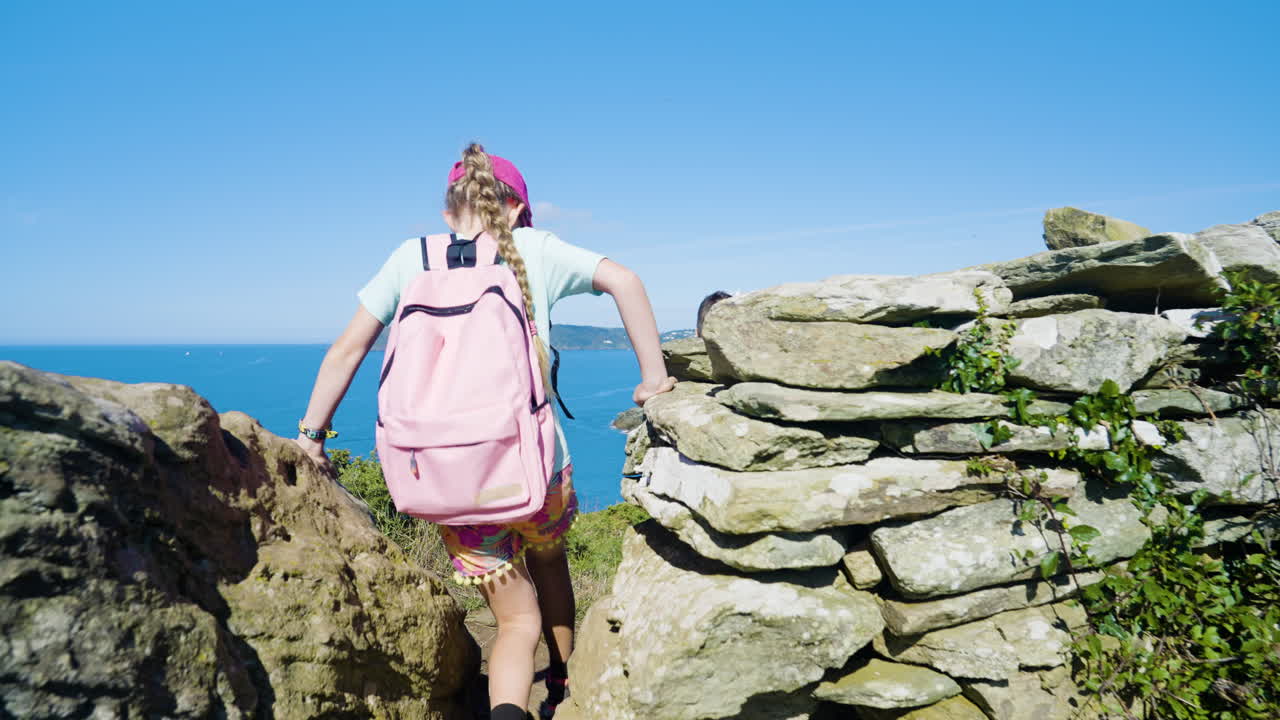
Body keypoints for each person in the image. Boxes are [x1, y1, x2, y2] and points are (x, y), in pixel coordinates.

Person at [293, 143, 674, 720]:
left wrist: (311, 434)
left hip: (449, 482)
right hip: (536, 471)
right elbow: (625, 279)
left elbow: (348, 350)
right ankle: (563, 685)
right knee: (550, 560)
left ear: (448, 213)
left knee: (514, 621)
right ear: (520, 209)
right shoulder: (534, 249)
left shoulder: (410, 257)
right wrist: (652, 380)